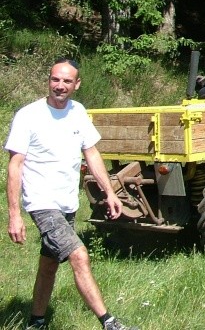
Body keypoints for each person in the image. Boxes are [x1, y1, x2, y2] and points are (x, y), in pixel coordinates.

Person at [5, 59, 139, 330]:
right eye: (55, 79)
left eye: (67, 81)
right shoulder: (28, 115)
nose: (60, 86)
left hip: (66, 202)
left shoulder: (78, 112)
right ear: (48, 81)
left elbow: (91, 153)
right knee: (79, 254)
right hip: (42, 202)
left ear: (76, 85)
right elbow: (15, 165)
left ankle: (36, 321)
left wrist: (110, 192)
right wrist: (14, 214)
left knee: (49, 263)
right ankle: (109, 323)